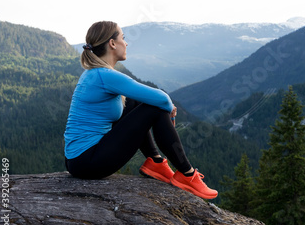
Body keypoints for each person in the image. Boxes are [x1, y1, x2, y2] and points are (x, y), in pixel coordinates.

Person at [64, 21, 217, 199]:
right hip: (89, 162)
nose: (126, 43)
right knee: (155, 108)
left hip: (78, 161)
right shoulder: (104, 76)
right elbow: (162, 98)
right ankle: (187, 174)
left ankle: (155, 162)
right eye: (123, 38)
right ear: (112, 44)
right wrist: (169, 115)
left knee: (135, 102)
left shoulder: (94, 73)